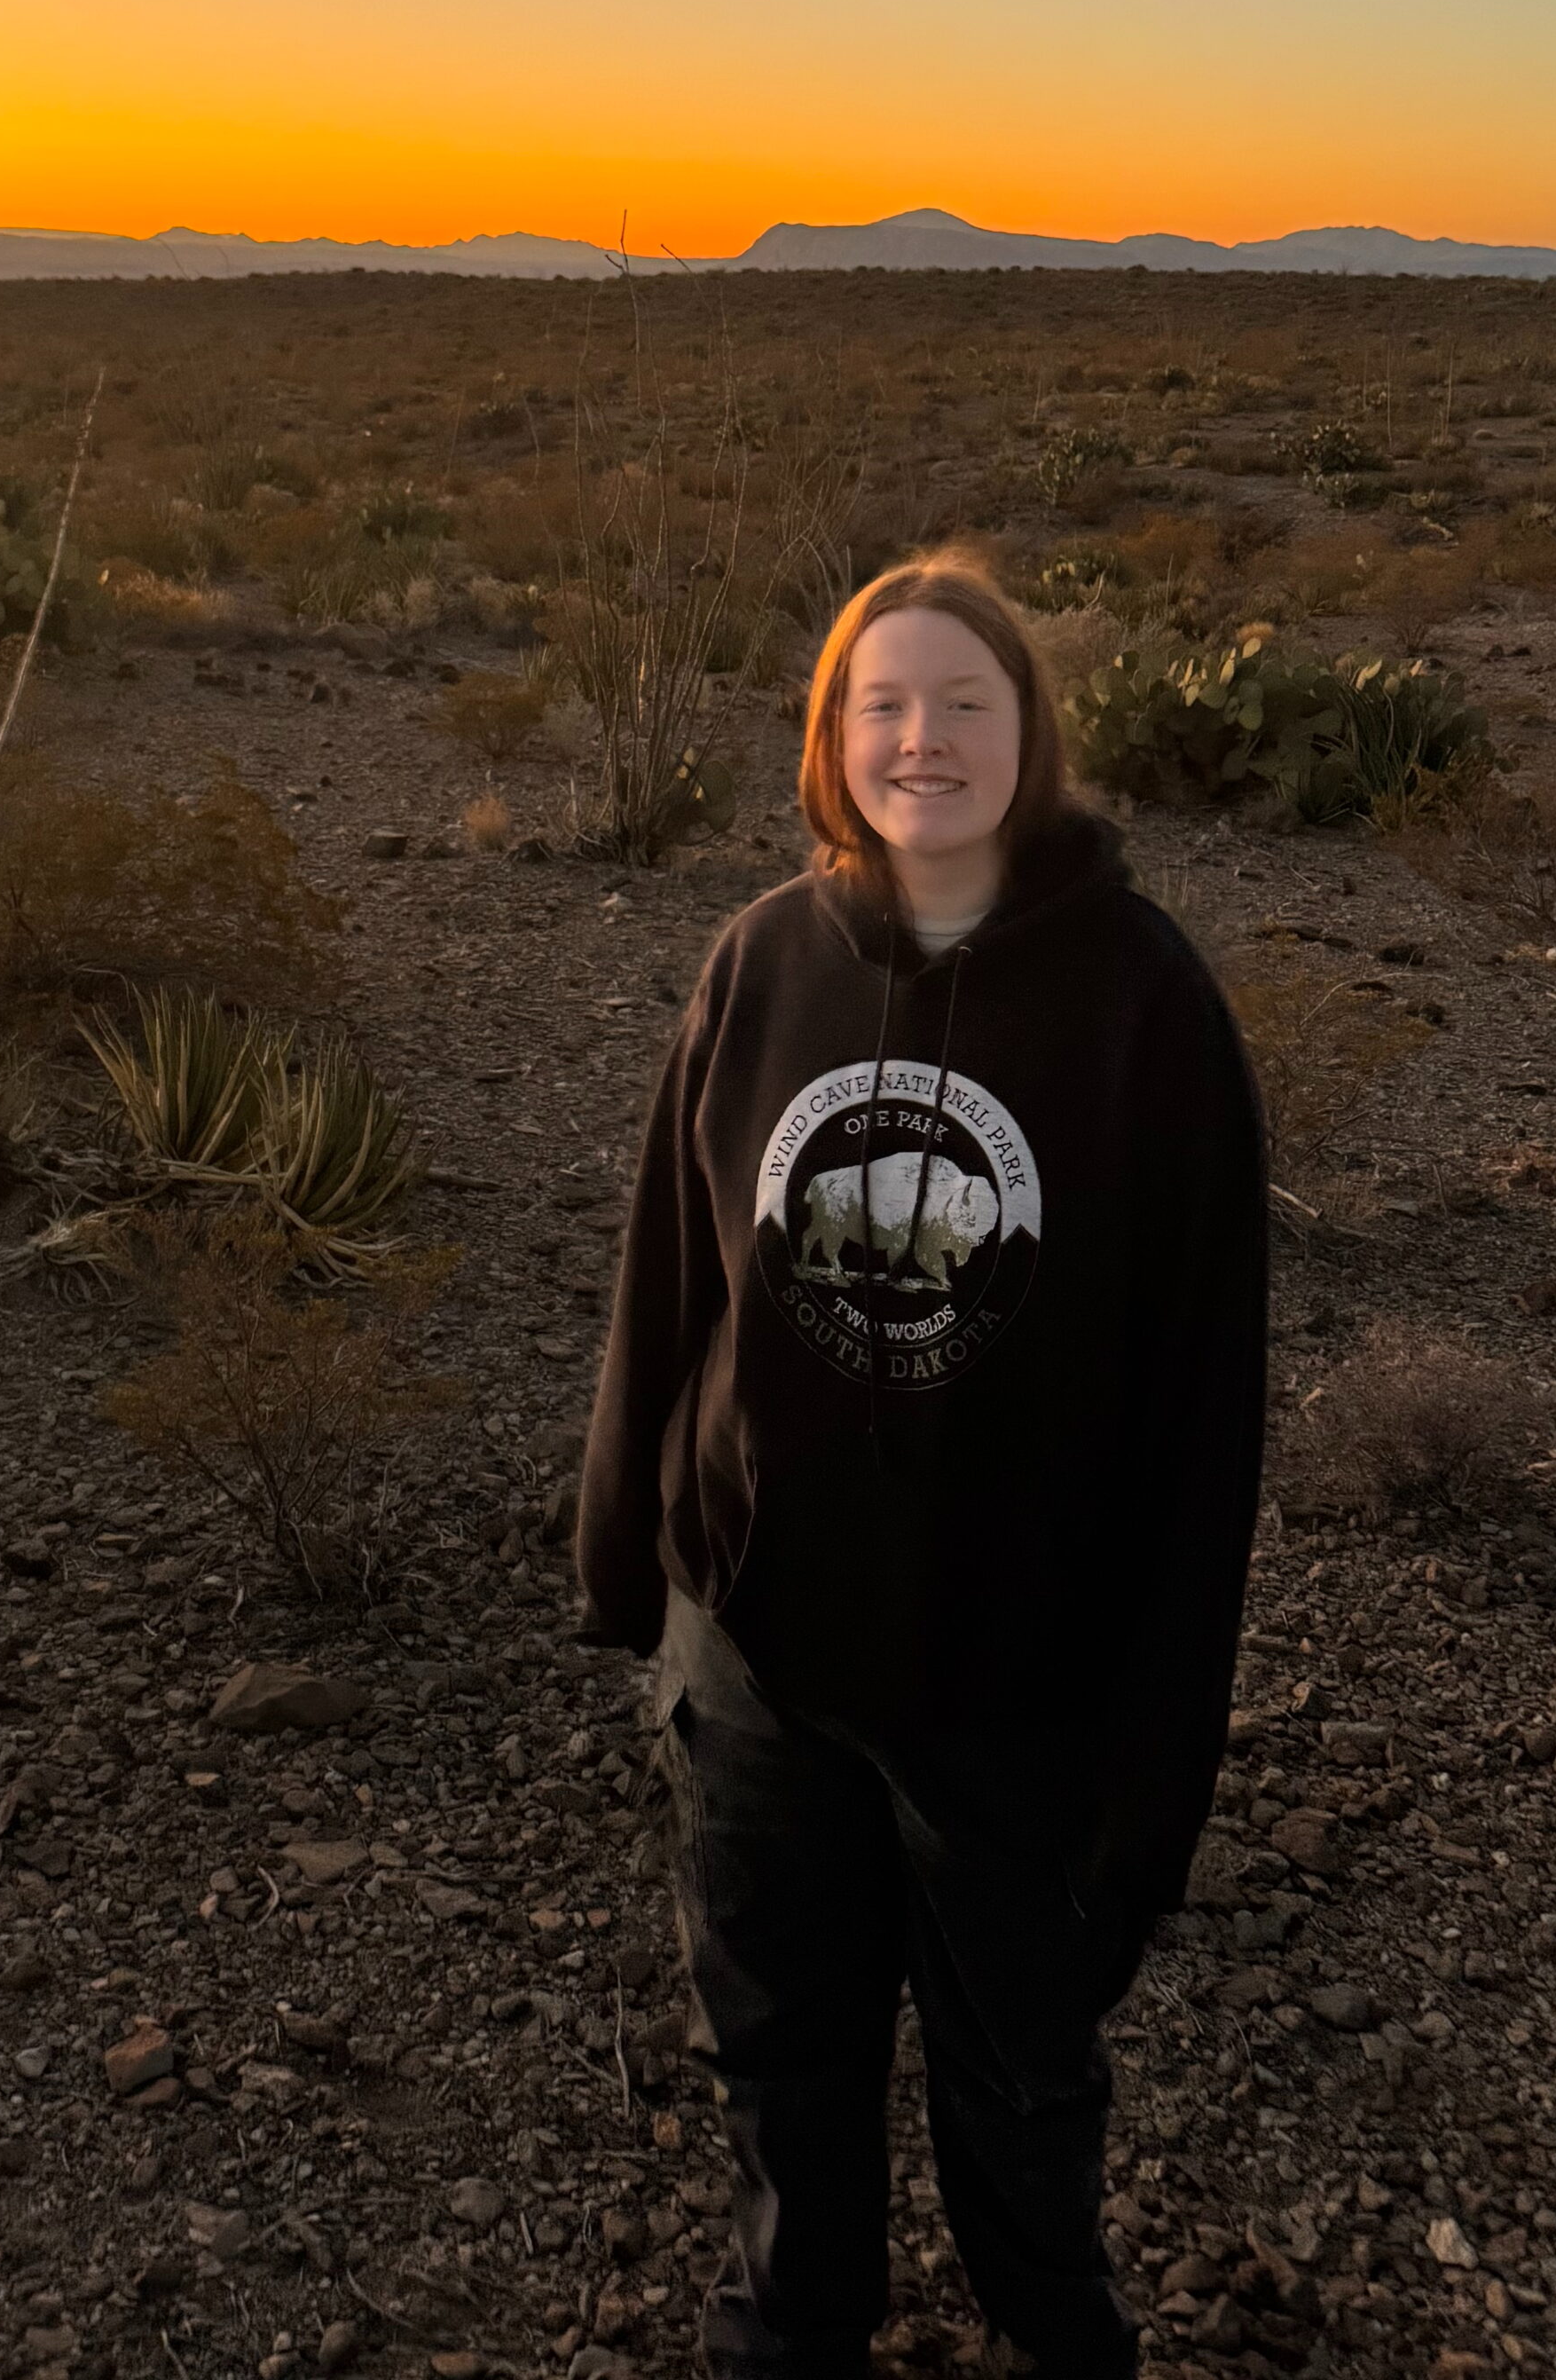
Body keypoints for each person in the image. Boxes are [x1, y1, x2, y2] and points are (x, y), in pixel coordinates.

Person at [574, 550, 1268, 2380]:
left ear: (1029, 733)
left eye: (965, 699)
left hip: (1016, 1669)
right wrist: (621, 1558)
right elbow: (670, 1268)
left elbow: (1204, 1401)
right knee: (774, 2047)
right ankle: (791, 2329)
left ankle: (1058, 2330)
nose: (922, 736)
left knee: (1022, 2073)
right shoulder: (762, 961)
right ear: (830, 735)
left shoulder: (1143, 1003)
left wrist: (1163, 1733)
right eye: (881, 700)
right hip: (762, 1647)